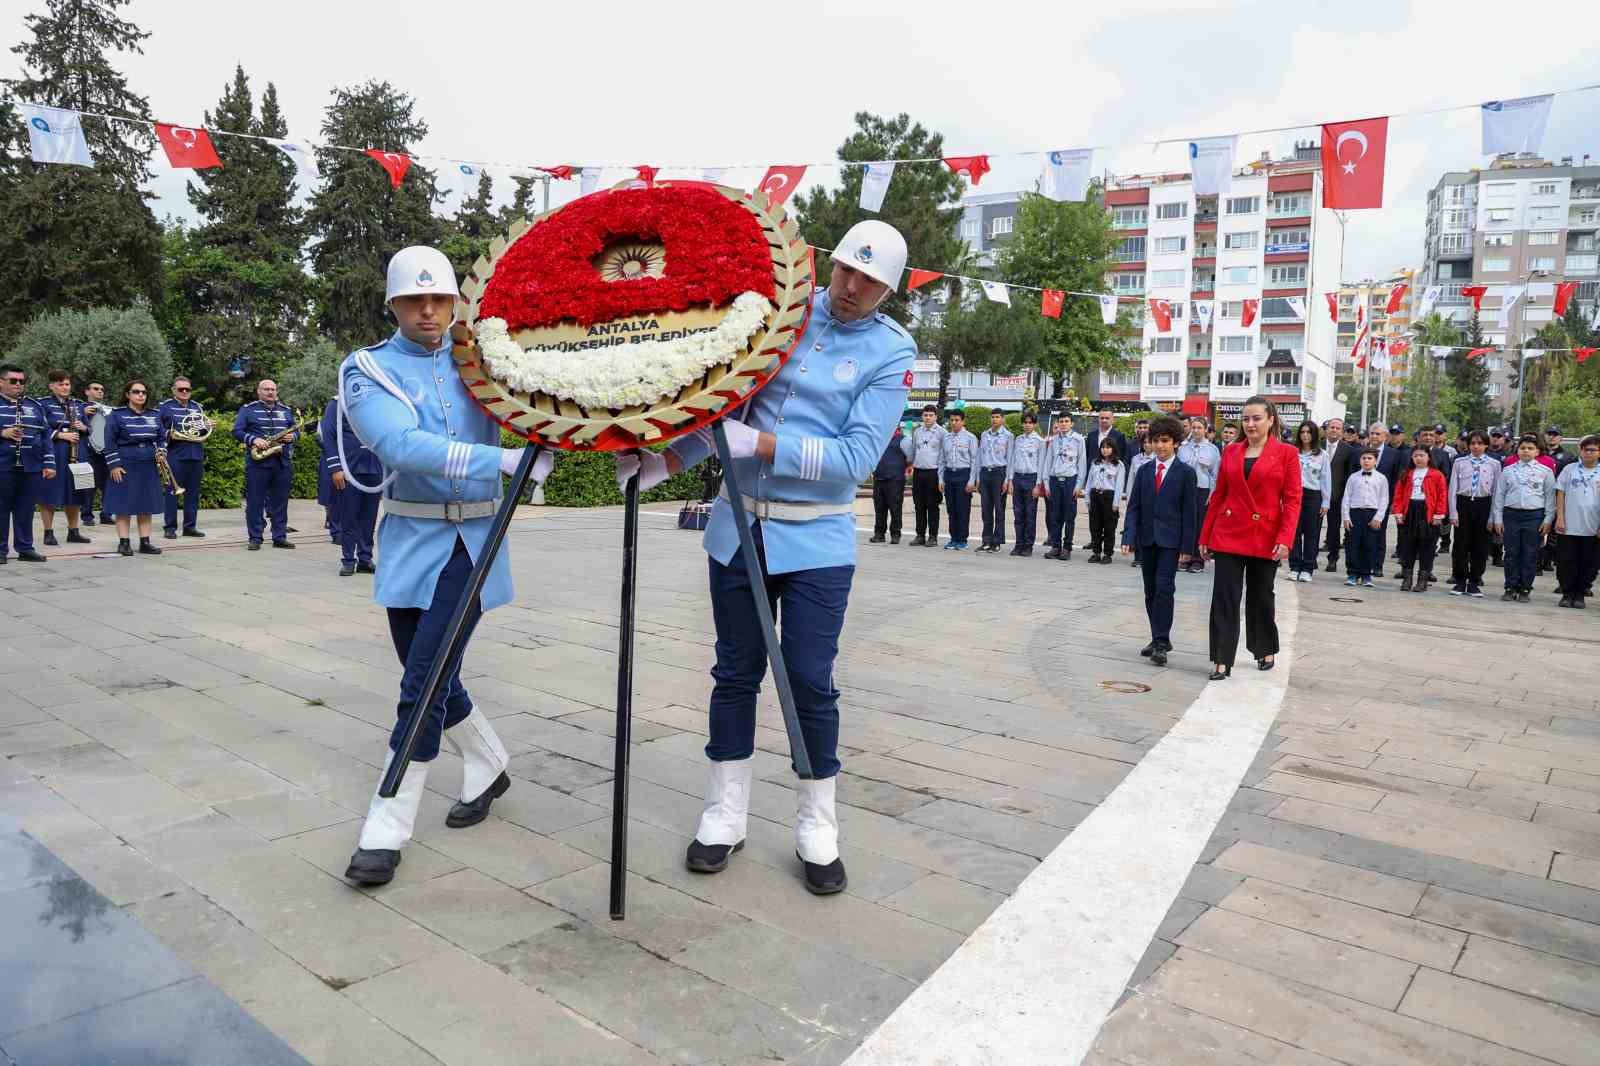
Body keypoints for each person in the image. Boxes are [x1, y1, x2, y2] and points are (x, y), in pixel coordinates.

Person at [622, 220, 915, 896]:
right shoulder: (781, 314)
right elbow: (727, 405)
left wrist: (761, 447)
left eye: (868, 280)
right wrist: (664, 461)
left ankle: (818, 822)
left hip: (816, 539)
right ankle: (725, 813)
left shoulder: (891, 353)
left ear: (888, 290)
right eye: (844, 269)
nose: (849, 286)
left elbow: (853, 461)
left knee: (810, 677)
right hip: (739, 528)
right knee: (735, 673)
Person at [341, 245, 556, 887]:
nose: (429, 311)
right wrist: (505, 462)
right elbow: (398, 443)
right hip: (412, 538)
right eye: (415, 299)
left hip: (477, 543)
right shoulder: (367, 369)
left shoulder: (484, 361)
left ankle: (386, 824)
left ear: (455, 303)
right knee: (427, 669)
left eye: (439, 299)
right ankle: (489, 762)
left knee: (424, 681)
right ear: (394, 304)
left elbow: (544, 395)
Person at [1199, 397, 1300, 680]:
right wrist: (1205, 534)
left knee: (1261, 596)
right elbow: (1219, 495)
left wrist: (1286, 538)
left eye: (1256, 418)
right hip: (1229, 531)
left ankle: (1263, 646)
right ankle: (1222, 658)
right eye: (1246, 419)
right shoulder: (1231, 451)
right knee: (1224, 597)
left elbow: (1292, 500)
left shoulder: (1287, 454)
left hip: (1265, 534)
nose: (1251, 424)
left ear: (1271, 420)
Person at [1121, 417, 1196, 667]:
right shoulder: (1143, 471)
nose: (1160, 446)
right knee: (1150, 590)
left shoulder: (1186, 473)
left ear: (1176, 443)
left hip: (1171, 541)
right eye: (1156, 441)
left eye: (1165, 441)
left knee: (1165, 589)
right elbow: (1134, 507)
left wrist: (1188, 547)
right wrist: (1128, 537)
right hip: (1147, 539)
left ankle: (1162, 642)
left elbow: (1189, 513)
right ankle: (1156, 636)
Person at [319, 396, 382, 577]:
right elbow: (328, 435)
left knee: (369, 518)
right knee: (349, 517)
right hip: (349, 468)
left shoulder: (375, 400)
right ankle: (348, 560)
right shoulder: (337, 403)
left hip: (373, 467)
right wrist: (335, 467)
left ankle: (365, 558)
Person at [102, 380, 166, 558]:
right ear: (127, 394)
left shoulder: (154, 415)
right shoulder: (117, 415)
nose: (141, 395)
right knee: (123, 505)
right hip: (125, 463)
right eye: (136, 392)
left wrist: (161, 452)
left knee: (145, 505)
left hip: (148, 463)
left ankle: (145, 542)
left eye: (144, 393)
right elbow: (109, 441)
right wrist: (114, 464)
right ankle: (124, 543)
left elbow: (162, 437)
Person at [233, 380, 299, 550]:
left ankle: (279, 536)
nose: (270, 392)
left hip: (282, 461)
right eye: (266, 389)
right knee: (255, 501)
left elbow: (295, 430)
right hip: (258, 462)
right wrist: (253, 439)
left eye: (273, 389)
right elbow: (237, 431)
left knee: (281, 501)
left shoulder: (285, 410)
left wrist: (293, 437)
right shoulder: (249, 409)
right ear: (259, 391)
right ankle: (255, 537)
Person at [1491, 434, 1556, 603]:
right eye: (1523, 448)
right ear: (1517, 450)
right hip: (1511, 514)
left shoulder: (1545, 472)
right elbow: (1499, 496)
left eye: (1530, 448)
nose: (1526, 451)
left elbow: (1550, 498)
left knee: (1530, 553)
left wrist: (1548, 519)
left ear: (1537, 452)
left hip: (1534, 515)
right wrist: (1498, 518)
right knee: (1511, 552)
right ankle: (1510, 586)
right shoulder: (1508, 471)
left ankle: (1525, 587)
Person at [0, 364, 54, 563]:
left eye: (21, 381)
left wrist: (49, 464)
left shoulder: (34, 405)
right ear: (1, 381)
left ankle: (25, 548)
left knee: (26, 508)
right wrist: (2, 433)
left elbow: (46, 437)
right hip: (3, 465)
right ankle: (0, 550)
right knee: (1, 508)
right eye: (13, 381)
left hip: (30, 465)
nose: (18, 385)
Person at [38, 369, 91, 547]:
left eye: (67, 384)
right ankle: (48, 532)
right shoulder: (43, 404)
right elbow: (40, 429)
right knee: (50, 492)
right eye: (60, 384)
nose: (65, 387)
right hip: (56, 451)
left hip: (79, 451)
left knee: (77, 491)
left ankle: (74, 531)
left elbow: (89, 429)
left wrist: (83, 427)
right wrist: (59, 435)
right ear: (51, 386)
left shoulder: (78, 404)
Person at [1448, 431, 1499, 598]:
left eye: (1479, 443)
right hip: (1464, 502)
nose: (1476, 446)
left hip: (1483, 503)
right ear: (1468, 445)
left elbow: (1496, 491)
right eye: (1473, 443)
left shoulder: (1494, 464)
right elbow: (1453, 488)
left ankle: (1475, 581)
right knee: (1461, 544)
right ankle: (1460, 579)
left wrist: (1493, 516)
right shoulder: (1460, 462)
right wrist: (1453, 512)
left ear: (1486, 445)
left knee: (1481, 545)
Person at [1393, 444, 1448, 593]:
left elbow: (1442, 496)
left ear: (1429, 457)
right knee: (1408, 546)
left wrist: (1439, 514)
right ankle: (1407, 578)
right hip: (1409, 510)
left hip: (1428, 512)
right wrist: (1398, 512)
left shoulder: (1437, 475)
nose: (1418, 458)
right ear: (1412, 457)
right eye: (1415, 455)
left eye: (1422, 455)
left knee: (1427, 547)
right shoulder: (1407, 474)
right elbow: (1398, 495)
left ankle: (1422, 579)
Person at [157, 376, 207, 539]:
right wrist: (170, 435)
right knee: (172, 492)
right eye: (181, 389)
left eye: (187, 389)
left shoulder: (197, 407)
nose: (184, 392)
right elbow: (158, 430)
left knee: (193, 493)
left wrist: (207, 427)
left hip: (195, 453)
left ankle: (190, 527)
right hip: (175, 454)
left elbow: (201, 431)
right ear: (173, 390)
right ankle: (170, 527)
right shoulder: (165, 407)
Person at [1554, 435, 1600, 608]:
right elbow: (1560, 493)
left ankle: (1580, 593)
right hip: (1569, 525)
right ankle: (1567, 593)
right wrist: (1560, 517)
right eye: (1585, 449)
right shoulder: (1569, 469)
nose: (1588, 453)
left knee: (1589, 562)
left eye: (1593, 450)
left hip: (1592, 526)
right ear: (1579, 451)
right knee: (1566, 561)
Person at [1288, 422, 1331, 582]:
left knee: (1312, 533)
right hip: (1294, 494)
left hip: (1313, 495)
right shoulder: (1293, 452)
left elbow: (1326, 479)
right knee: (1294, 532)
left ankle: (1307, 567)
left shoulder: (1322, 455)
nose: (1305, 435)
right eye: (1303, 432)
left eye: (1309, 432)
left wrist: (1326, 502)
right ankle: (1295, 566)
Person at [1177, 416, 1219, 573]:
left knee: (1200, 525)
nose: (1195, 430)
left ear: (1206, 430)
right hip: (1185, 490)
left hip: (1202, 490)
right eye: (1193, 427)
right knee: (1186, 523)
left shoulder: (1212, 450)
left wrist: (1212, 493)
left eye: (1199, 428)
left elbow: (1215, 474)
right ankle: (1184, 557)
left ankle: (1198, 559)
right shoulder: (1183, 448)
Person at [1041, 413, 1086, 561]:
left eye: (1067, 421)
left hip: (1070, 481)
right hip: (1055, 480)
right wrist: (1046, 483)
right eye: (1061, 421)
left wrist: (1078, 485)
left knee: (1069, 516)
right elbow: (1048, 462)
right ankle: (1055, 546)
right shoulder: (1053, 440)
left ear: (1072, 423)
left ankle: (1067, 547)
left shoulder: (1078, 440)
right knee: (1055, 515)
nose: (1064, 424)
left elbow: (1081, 463)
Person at [1341, 449, 1388, 588]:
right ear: (1360, 460)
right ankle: (1353, 573)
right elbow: (1346, 497)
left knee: (1370, 545)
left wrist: (1379, 517)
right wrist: (1346, 516)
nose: (1366, 461)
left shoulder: (1381, 478)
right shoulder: (1353, 477)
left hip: (1372, 514)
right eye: (1364, 458)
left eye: (1369, 458)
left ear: (1375, 461)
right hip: (1355, 513)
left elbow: (1384, 499)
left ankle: (1366, 574)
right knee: (1353, 545)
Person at [904, 404, 944, 547]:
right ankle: (920, 535)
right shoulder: (917, 432)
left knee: (932, 506)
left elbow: (943, 457)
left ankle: (933, 536)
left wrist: (941, 478)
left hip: (933, 473)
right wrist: (910, 466)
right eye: (925, 415)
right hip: (919, 473)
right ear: (922, 416)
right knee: (919, 505)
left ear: (936, 417)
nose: (927, 417)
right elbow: (914, 451)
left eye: (930, 415)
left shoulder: (941, 433)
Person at [1004, 412, 1043, 556]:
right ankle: (1018, 544)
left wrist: (1038, 484)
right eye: (1025, 422)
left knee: (1030, 514)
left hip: (1031, 479)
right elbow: (1012, 461)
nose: (1027, 425)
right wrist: (1010, 480)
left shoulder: (1039, 441)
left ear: (1034, 424)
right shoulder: (1018, 440)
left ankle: (1028, 545)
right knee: (1018, 514)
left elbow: (1041, 464)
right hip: (1018, 478)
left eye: (1030, 423)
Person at [1323, 418, 1359, 572]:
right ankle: (1310, 559)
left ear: (1342, 432)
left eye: (1338, 428)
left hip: (1337, 496)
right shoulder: (1317, 446)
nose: (1334, 430)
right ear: (1326, 429)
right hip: (1316, 494)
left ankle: (1333, 558)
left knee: (1333, 528)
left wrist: (1347, 496)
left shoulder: (1348, 450)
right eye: (1332, 427)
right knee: (1312, 529)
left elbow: (1349, 475)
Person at [939, 410, 978, 550]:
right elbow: (942, 460)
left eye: (957, 420)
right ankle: (953, 538)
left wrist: (971, 481)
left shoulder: (970, 438)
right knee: (951, 509)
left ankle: (962, 539)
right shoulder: (946, 438)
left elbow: (974, 461)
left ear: (963, 421)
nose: (954, 423)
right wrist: (940, 479)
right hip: (949, 475)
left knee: (962, 509)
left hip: (964, 475)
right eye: (952, 420)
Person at [975, 410, 1012, 554]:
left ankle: (997, 542)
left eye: (997, 417)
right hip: (985, 473)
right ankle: (986, 540)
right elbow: (979, 456)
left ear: (1002, 419)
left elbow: (1010, 459)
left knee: (999, 509)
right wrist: (978, 477)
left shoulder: (1008, 436)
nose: (994, 419)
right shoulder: (985, 435)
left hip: (999, 473)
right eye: (993, 417)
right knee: (986, 509)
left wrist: (1007, 480)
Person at [1083, 439, 1124, 564]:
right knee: (1095, 526)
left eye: (1108, 447)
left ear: (1113, 449)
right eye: (1103, 447)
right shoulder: (1095, 463)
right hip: (1095, 495)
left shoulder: (1118, 465)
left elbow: (1119, 485)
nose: (1105, 450)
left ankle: (1107, 553)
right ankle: (1096, 552)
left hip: (1109, 497)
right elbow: (1089, 481)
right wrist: (1087, 497)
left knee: (1109, 527)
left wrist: (1116, 503)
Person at [80, 381, 112, 526]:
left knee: (108, 484)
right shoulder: (79, 408)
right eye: (96, 389)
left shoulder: (109, 410)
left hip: (105, 451)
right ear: (87, 392)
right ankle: (87, 516)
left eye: (102, 389)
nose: (100, 391)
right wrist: (82, 413)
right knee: (87, 484)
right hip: (87, 450)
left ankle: (106, 515)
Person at [869, 423, 907, 545]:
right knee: (879, 508)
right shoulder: (879, 439)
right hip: (879, 477)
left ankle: (895, 534)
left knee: (895, 508)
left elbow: (911, 458)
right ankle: (879, 534)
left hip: (895, 479)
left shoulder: (903, 440)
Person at [1120, 435, 1155, 566]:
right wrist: (1129, 498)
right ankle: (1138, 556)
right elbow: (1131, 481)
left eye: (1149, 442)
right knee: (1138, 527)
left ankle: (1148, 556)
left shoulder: (1157, 460)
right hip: (1138, 497)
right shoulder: (1136, 459)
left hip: (1152, 499)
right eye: (1144, 442)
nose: (1147, 445)